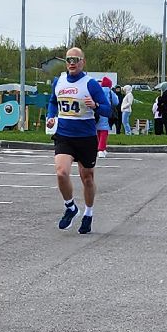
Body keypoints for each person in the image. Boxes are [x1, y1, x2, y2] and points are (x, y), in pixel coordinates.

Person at [47, 46, 108, 235]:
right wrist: (51, 116)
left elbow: (108, 110)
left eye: (76, 59)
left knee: (87, 178)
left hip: (86, 137)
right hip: (64, 135)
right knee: (61, 173)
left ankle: (88, 213)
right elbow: (52, 101)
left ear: (83, 61)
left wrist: (96, 105)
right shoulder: (59, 81)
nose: (72, 63)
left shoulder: (90, 84)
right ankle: (70, 207)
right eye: (68, 60)